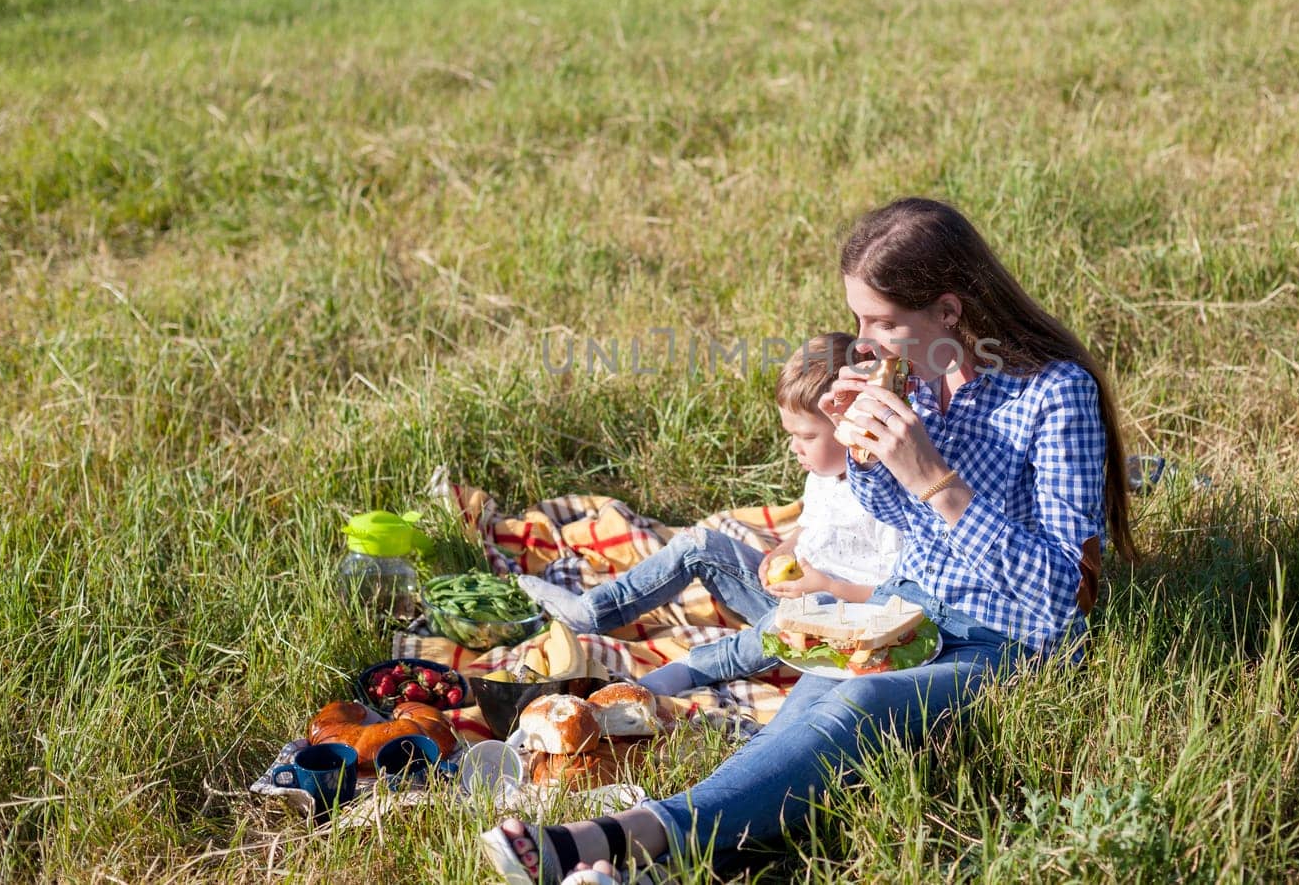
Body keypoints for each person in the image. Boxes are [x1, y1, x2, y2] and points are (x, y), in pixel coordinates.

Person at [483, 197, 1138, 884]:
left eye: (884, 322)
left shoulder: (1056, 393)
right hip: (901, 612)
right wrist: (862, 454)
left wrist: (936, 480)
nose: (865, 342)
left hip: (1008, 641)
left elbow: (1063, 598)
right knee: (802, 725)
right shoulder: (921, 378)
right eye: (860, 319)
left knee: (856, 705)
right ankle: (656, 871)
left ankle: (610, 837)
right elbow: (901, 516)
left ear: (948, 312)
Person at [515, 332, 902, 696]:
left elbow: (894, 594)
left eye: (807, 437)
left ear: (852, 424)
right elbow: (810, 528)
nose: (795, 449)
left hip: (838, 625)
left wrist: (827, 587)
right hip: (792, 594)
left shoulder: (886, 496)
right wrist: (781, 550)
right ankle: (592, 611)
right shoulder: (823, 476)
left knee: (800, 614)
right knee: (698, 544)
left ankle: (690, 670)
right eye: (792, 436)